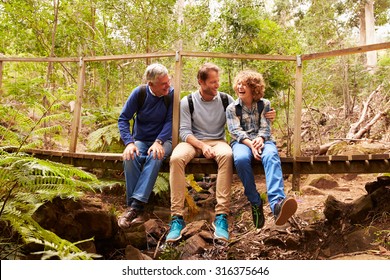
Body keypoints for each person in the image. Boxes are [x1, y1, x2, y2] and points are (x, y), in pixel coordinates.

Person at [165, 63, 275, 242]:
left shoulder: (226, 100)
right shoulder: (188, 101)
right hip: (193, 142)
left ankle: (221, 216)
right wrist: (202, 146)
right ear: (201, 82)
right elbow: (184, 132)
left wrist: (268, 114)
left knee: (227, 155)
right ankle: (177, 218)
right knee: (176, 158)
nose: (217, 85)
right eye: (212, 82)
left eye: (218, 81)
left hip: (218, 141)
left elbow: (247, 110)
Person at [226, 70, 297, 229]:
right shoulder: (232, 108)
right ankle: (255, 202)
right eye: (238, 84)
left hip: (263, 140)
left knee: (271, 155)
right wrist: (251, 145)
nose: (240, 87)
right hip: (242, 142)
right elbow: (235, 131)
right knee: (241, 159)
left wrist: (260, 139)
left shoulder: (264, 104)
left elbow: (265, 128)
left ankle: (277, 204)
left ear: (254, 88)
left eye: (244, 85)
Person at [117, 63, 173, 229]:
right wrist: (129, 143)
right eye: (163, 84)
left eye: (168, 81)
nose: (168, 86)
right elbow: (123, 119)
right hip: (140, 139)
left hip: (164, 140)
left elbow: (171, 121)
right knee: (130, 157)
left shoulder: (171, 95)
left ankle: (134, 208)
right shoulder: (139, 93)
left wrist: (159, 142)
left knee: (155, 156)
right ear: (151, 84)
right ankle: (139, 209)